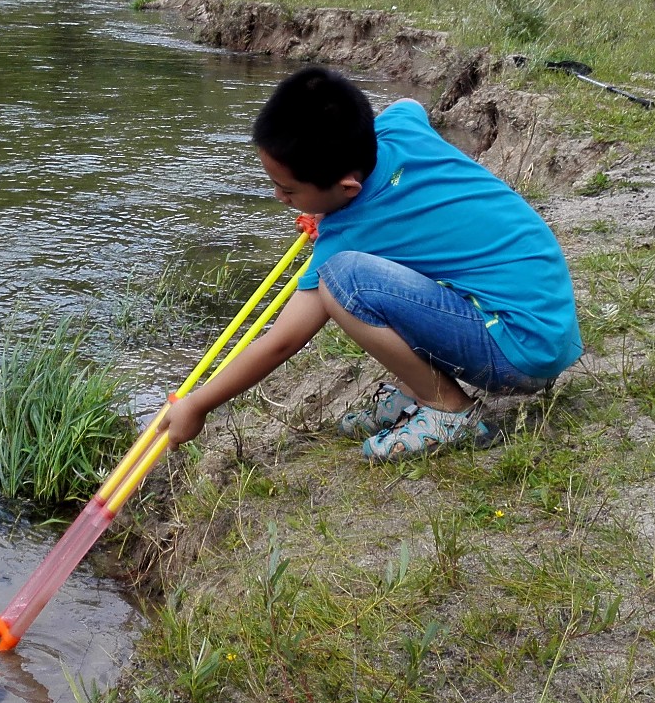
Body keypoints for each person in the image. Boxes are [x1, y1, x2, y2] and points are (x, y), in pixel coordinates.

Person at [164, 65, 580, 461]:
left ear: (348, 188)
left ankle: (448, 411)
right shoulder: (398, 128)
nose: (279, 198)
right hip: (546, 327)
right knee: (418, 261)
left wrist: (198, 405)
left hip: (519, 354)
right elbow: (407, 104)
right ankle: (416, 394)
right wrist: (324, 210)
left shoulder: (347, 235)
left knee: (343, 282)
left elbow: (282, 341)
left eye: (288, 190)